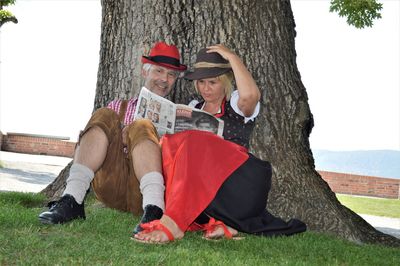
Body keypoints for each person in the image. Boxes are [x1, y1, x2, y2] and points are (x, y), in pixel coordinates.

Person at [133, 44, 306, 244]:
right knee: (173, 142)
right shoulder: (193, 107)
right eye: (201, 82)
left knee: (193, 140)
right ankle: (219, 223)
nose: (206, 88)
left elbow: (250, 96)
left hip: (238, 184)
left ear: (225, 81)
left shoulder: (235, 102)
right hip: (206, 191)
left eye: (213, 82)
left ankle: (173, 224)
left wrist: (233, 58)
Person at [38, 42, 187, 234]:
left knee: (142, 125)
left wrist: (145, 135)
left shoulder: (176, 118)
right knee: (103, 114)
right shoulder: (119, 106)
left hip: (145, 191)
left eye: (171, 75)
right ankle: (72, 200)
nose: (164, 79)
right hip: (110, 183)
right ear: (145, 72)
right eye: (159, 71)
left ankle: (155, 209)